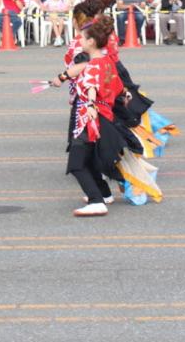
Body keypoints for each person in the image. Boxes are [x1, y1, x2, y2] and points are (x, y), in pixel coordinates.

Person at [59, 15, 153, 217]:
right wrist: (125, 94)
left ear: (91, 42)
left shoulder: (93, 65)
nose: (80, 41)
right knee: (91, 158)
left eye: (82, 38)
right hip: (104, 115)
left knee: (76, 163)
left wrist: (91, 105)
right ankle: (103, 192)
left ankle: (96, 201)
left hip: (89, 116)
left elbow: (91, 86)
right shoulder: (107, 61)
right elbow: (119, 86)